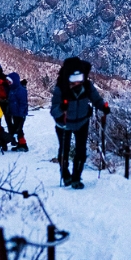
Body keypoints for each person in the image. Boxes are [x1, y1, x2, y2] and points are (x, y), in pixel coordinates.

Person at [50, 57, 109, 189]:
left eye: (79, 79)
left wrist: (103, 107)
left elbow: (96, 99)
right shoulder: (61, 89)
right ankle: (65, 174)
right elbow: (53, 111)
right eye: (73, 80)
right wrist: (61, 109)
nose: (77, 83)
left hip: (82, 122)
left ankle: (76, 177)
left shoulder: (87, 87)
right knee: (64, 150)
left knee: (81, 151)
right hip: (64, 123)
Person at [7, 72, 29, 152]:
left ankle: (23, 145)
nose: (8, 83)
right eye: (8, 82)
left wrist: (21, 114)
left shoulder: (20, 90)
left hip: (20, 114)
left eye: (10, 81)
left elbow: (23, 103)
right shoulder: (12, 89)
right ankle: (21, 144)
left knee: (18, 129)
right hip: (15, 113)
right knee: (19, 130)